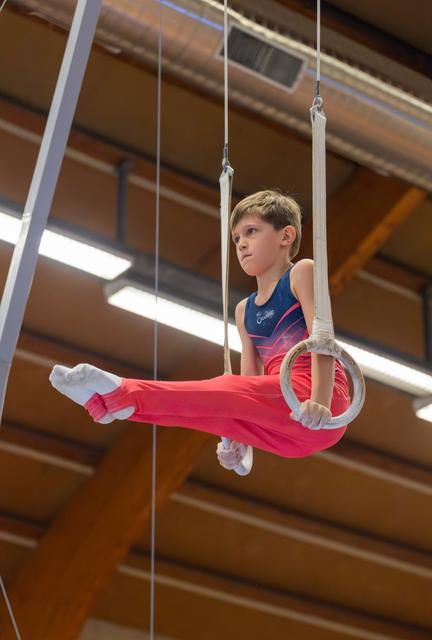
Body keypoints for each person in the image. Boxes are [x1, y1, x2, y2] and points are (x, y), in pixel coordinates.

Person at [49, 190, 350, 470]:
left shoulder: (302, 272)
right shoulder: (245, 310)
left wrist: (320, 402)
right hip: (290, 430)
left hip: (319, 400)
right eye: (236, 239)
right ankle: (109, 406)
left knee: (225, 388)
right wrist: (242, 445)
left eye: (251, 232)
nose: (242, 244)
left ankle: (125, 392)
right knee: (211, 413)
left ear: (286, 236)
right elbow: (250, 384)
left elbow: (322, 340)